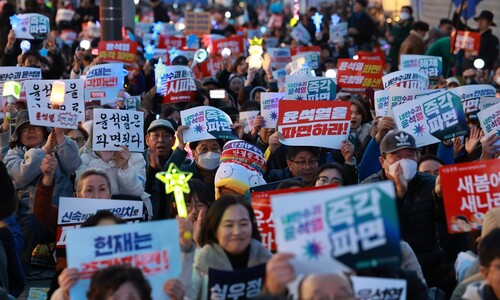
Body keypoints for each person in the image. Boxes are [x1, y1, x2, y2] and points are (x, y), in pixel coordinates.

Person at [361, 130, 452, 295]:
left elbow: (446, 224)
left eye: (409, 155)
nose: (404, 161)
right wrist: (398, 196)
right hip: (393, 269)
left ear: (417, 157)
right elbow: (375, 234)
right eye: (397, 157)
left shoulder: (430, 183)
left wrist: (440, 198)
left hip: (432, 262)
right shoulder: (369, 189)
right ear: (382, 161)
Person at [3, 110, 81, 274]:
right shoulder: (12, 154)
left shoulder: (62, 145)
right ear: (18, 134)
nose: (31, 131)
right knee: (32, 223)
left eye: (36, 127)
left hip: (62, 212)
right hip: (29, 213)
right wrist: (44, 150)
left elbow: (73, 165)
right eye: (25, 128)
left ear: (45, 130)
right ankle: (17, 273)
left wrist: (59, 137)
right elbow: (19, 176)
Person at [191, 194, 272, 299]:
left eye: (243, 224)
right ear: (215, 230)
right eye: (229, 225)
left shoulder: (268, 260)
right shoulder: (199, 263)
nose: (237, 232)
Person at [453, 5, 499, 72]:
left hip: (481, 70)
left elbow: (491, 58)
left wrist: (475, 59)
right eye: (478, 20)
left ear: (489, 22)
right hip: (464, 67)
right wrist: (457, 12)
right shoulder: (471, 34)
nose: (480, 22)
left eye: (483, 20)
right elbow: (457, 25)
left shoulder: (493, 40)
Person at [387, 6, 414, 70]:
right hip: (394, 53)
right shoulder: (398, 24)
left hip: (403, 54)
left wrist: (395, 40)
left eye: (406, 11)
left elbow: (407, 40)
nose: (403, 13)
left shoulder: (411, 26)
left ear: (410, 13)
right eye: (402, 11)